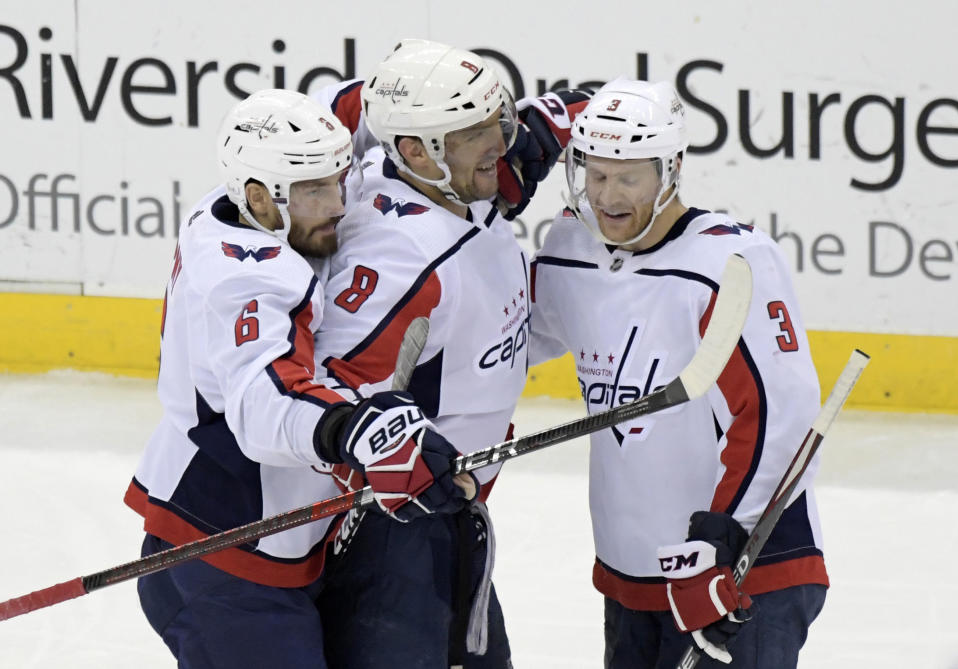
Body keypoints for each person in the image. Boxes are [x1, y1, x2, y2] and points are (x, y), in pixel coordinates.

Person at [125, 88, 475, 668]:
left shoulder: (236, 197)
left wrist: (406, 94)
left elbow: (338, 118)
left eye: (337, 179)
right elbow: (265, 400)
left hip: (254, 537)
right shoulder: (249, 283)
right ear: (262, 198)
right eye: (316, 190)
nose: (339, 202)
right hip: (225, 554)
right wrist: (357, 431)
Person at [528, 78, 827, 668]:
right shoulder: (571, 250)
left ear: (671, 168)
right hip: (633, 571)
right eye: (596, 174)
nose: (609, 196)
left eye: (629, 177)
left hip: (742, 571)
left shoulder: (728, 262)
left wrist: (722, 540)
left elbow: (779, 415)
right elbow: (508, 344)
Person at [310, 39, 588, 669]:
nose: (502, 144)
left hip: (449, 522)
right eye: (475, 133)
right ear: (417, 153)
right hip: (395, 543)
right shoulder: (400, 261)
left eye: (499, 121)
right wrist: (394, 456)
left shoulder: (450, 188)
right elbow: (331, 394)